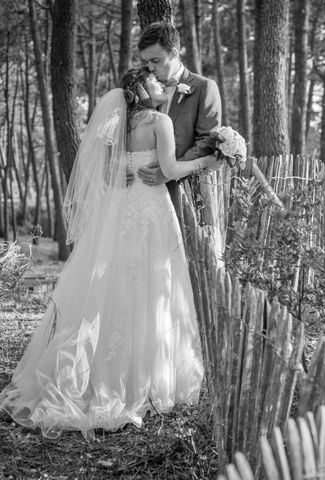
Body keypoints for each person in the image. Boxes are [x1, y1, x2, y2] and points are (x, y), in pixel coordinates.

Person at [0, 67, 221, 440]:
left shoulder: (117, 126)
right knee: (154, 286)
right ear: (141, 90)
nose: (161, 84)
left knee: (113, 288)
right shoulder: (160, 121)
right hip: (151, 214)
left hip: (120, 215)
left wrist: (124, 172)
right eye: (154, 82)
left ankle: (100, 372)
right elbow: (170, 169)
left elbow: (104, 178)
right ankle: (144, 377)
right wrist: (208, 161)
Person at [136, 21, 222, 213]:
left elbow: (207, 141)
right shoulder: (140, 87)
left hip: (183, 191)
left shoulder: (204, 87)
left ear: (174, 53)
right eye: (146, 62)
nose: (149, 68)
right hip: (139, 189)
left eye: (155, 61)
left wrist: (169, 172)